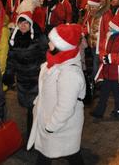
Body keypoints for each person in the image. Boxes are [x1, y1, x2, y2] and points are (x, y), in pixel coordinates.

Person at [27, 24, 86, 165]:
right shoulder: (56, 62)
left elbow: (65, 107)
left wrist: (51, 126)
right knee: (69, 154)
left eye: (52, 41)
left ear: (62, 46)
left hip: (59, 126)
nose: (48, 43)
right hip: (52, 121)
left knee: (62, 154)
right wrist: (38, 102)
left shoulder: (69, 73)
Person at [3, 11, 47, 137]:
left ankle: (33, 134)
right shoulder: (14, 38)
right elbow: (10, 58)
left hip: (35, 79)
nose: (23, 26)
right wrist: (9, 74)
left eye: (26, 23)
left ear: (30, 24)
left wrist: (45, 73)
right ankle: (32, 133)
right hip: (22, 79)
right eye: (21, 23)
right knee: (28, 107)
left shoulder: (38, 38)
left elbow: (46, 56)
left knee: (34, 107)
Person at [92, 14, 119, 118]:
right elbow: (102, 50)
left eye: (111, 26)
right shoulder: (108, 38)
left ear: (117, 28)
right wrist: (103, 57)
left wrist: (111, 58)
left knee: (118, 94)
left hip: (116, 75)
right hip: (107, 72)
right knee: (103, 94)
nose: (109, 28)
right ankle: (99, 111)